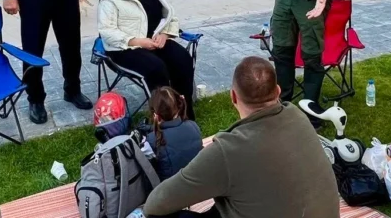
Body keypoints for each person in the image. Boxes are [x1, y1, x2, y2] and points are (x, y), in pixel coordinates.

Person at [142, 56, 340, 218]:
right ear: (278, 92)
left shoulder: (227, 150)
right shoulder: (297, 116)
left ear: (233, 97)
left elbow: (154, 204)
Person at [98, 0, 196, 120]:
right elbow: (106, 31)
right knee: (156, 68)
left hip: (156, 42)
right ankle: (165, 118)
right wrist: (137, 41)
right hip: (126, 48)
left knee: (183, 59)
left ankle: (185, 114)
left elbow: (171, 17)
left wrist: (165, 34)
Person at [146, 86, 203, 180]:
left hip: (171, 189)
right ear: (178, 106)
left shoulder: (152, 140)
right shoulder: (193, 125)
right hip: (197, 180)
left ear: (155, 115)